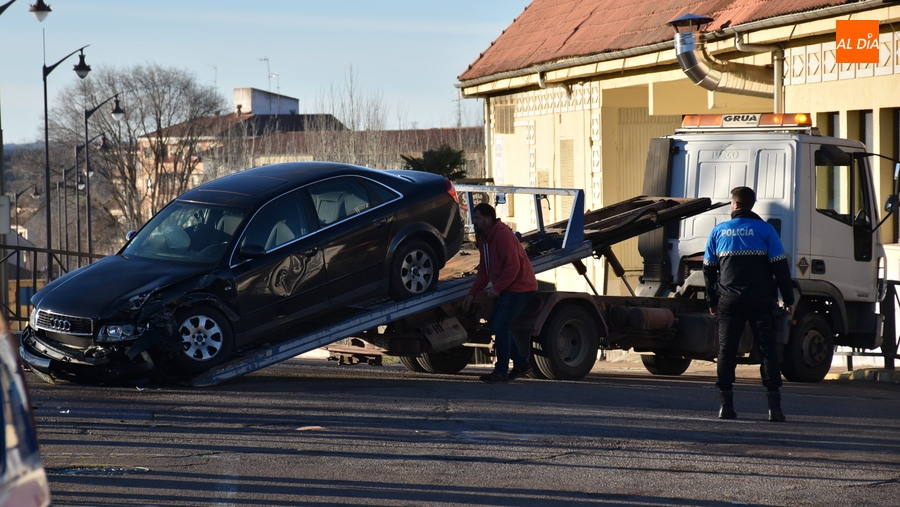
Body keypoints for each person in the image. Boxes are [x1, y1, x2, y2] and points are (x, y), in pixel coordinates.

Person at [703, 186, 795, 422]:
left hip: (728, 302)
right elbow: (780, 268)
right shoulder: (766, 230)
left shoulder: (719, 232)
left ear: (733, 204)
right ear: (752, 205)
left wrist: (712, 300)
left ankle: (726, 406)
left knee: (727, 351)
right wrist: (789, 299)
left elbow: (709, 271)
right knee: (767, 350)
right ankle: (774, 409)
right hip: (761, 301)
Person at [462, 202, 538, 383]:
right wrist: (472, 294)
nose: (475, 222)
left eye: (478, 218)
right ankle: (521, 363)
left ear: (489, 219)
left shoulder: (503, 236)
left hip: (520, 287)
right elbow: (484, 271)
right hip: (508, 287)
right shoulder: (484, 239)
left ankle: (502, 371)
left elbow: (513, 267)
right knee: (496, 325)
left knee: (500, 326)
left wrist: (497, 288)